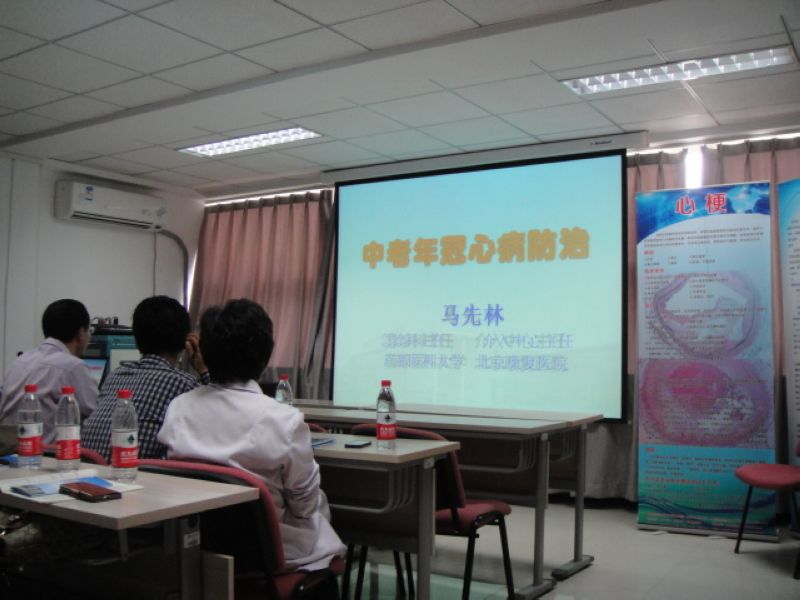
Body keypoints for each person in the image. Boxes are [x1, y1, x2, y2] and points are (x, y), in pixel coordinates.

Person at [158, 298, 345, 571]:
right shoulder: (284, 420)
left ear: (204, 352)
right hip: (266, 552)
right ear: (265, 355)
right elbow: (304, 506)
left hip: (197, 547)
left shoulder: (178, 407)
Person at [82, 296, 209, 462]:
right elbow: (217, 413)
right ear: (185, 341)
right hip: (138, 474)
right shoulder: (185, 385)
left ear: (136, 339)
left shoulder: (115, 376)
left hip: (91, 471)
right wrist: (203, 369)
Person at [0, 299, 97, 442]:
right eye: (89, 331)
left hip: (8, 451)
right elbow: (97, 416)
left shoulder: (19, 362)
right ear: (81, 333)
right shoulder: (72, 367)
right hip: (45, 453)